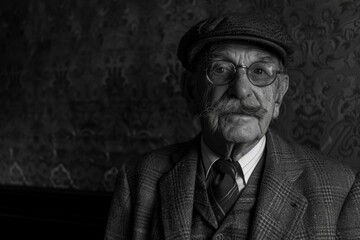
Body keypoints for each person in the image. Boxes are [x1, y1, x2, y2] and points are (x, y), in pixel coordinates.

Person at [105, 13, 360, 240]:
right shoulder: (139, 178)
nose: (240, 90)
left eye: (260, 71)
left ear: (279, 95)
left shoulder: (341, 187)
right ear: (192, 90)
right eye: (220, 69)